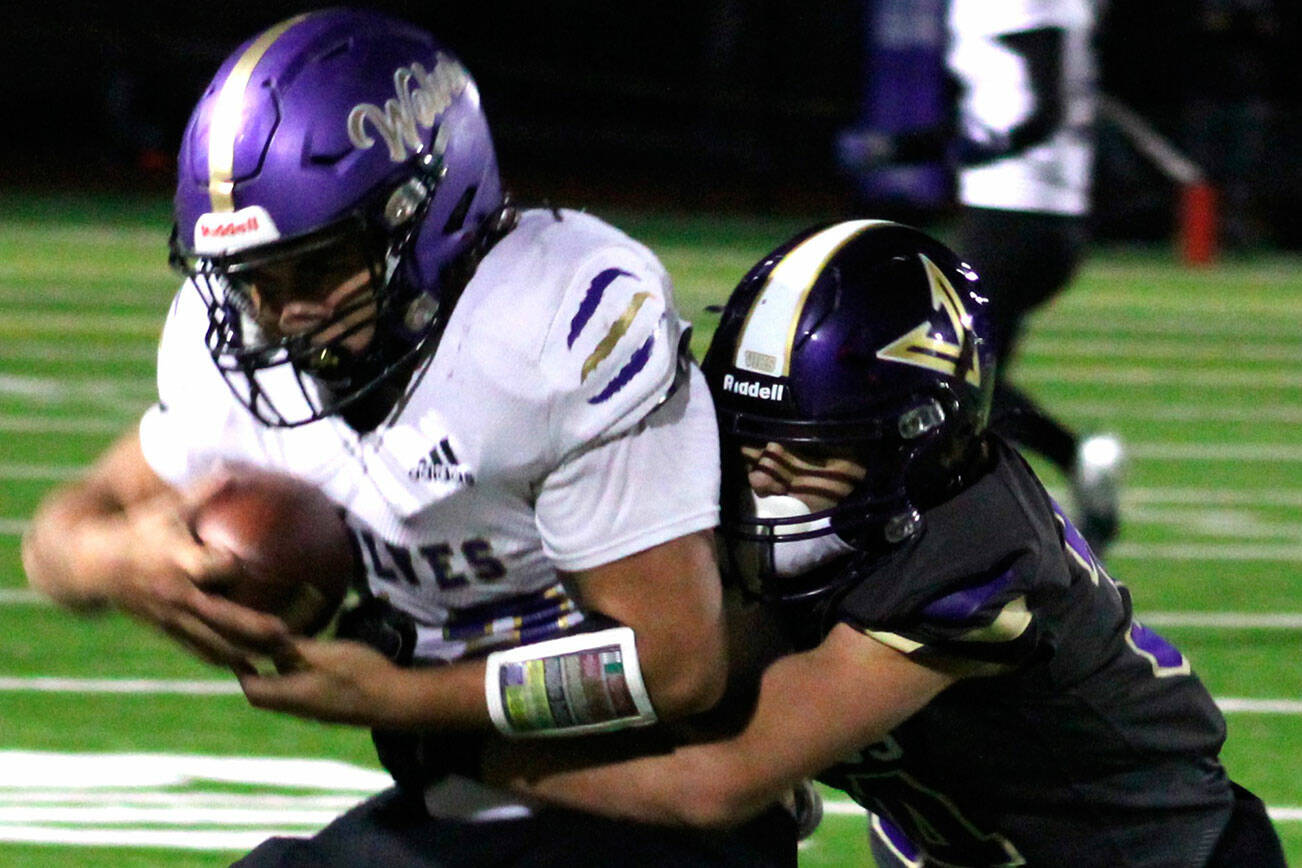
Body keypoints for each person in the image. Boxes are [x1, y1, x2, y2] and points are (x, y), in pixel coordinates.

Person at [20, 9, 796, 866]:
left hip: (661, 801)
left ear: (426, 217)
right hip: (471, 795)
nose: (283, 314)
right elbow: (61, 535)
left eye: (317, 267)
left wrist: (399, 698)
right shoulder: (244, 344)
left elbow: (675, 666)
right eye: (252, 280)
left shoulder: (548, 331)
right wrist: (119, 559)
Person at [487, 220, 1287, 867]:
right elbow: (692, 678)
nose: (763, 482)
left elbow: (722, 783)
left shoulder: (970, 557)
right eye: (747, 441)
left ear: (917, 444)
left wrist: (488, 755)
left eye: (809, 451)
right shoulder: (784, 505)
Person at [839, 0, 1124, 553]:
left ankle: (1064, 465)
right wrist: (904, 148)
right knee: (968, 389)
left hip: (1020, 216)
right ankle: (1014, 514)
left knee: (942, 369)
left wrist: (992, 148)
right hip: (1026, 214)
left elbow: (1048, 104)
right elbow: (996, 110)